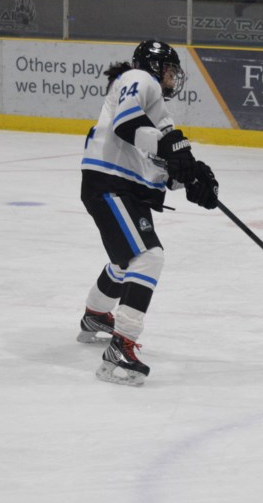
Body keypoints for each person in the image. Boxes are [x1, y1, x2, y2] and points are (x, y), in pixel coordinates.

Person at [77, 40, 219, 387]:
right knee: (148, 258)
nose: (172, 79)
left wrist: (192, 178)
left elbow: (160, 159)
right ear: (156, 68)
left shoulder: (157, 111)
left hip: (125, 187)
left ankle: (96, 315)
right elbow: (126, 125)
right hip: (111, 183)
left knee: (127, 262)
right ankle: (120, 351)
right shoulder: (139, 78)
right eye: (170, 71)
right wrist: (172, 150)